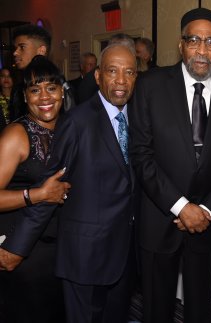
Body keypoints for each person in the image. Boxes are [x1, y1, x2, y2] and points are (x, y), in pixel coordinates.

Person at [0, 43, 139, 323]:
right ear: (98, 76)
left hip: (119, 249)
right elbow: (53, 187)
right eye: (112, 71)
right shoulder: (76, 123)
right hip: (76, 250)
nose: (121, 79)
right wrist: (17, 247)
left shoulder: (139, 116)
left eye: (130, 72)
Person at [129, 7, 211, 323]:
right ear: (181, 45)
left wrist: (206, 210)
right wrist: (182, 207)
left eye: (210, 42)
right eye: (194, 40)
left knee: (200, 309)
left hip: (206, 224)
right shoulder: (149, 86)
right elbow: (142, 155)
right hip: (159, 219)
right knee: (156, 309)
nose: (202, 50)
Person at [0, 56, 71, 322]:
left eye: (51, 88)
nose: (44, 96)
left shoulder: (69, 127)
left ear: (61, 93)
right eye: (34, 89)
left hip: (60, 247)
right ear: (26, 96)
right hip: (22, 249)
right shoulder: (16, 135)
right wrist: (38, 194)